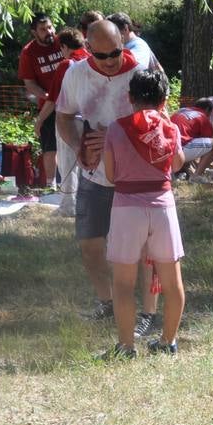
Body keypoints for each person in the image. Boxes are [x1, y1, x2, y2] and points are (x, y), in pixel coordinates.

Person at [55, 18, 149, 321]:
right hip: (94, 175)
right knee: (90, 243)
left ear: (123, 43)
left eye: (115, 53)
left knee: (145, 251)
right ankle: (106, 303)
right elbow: (64, 116)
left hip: (134, 177)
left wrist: (113, 137)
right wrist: (78, 146)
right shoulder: (76, 74)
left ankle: (147, 312)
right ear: (88, 49)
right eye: (101, 55)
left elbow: (155, 124)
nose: (110, 61)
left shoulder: (139, 74)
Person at [100, 70, 186, 359]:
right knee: (172, 282)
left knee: (123, 283)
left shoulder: (115, 128)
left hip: (126, 208)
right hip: (163, 206)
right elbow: (177, 164)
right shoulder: (170, 127)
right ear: (164, 100)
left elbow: (111, 175)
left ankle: (126, 346)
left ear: (130, 97)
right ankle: (168, 341)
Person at [18, 14, 70, 194]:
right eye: (43, 29)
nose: (49, 32)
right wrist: (47, 96)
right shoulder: (28, 52)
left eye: (50, 27)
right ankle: (51, 185)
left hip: (72, 103)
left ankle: (73, 183)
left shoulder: (63, 42)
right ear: (34, 32)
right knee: (49, 146)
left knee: (73, 143)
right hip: (48, 106)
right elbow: (29, 83)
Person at [172, 98, 213, 179]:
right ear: (207, 110)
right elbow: (211, 143)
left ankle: (180, 172)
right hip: (179, 150)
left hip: (166, 150)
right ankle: (197, 177)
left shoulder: (181, 111)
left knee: (192, 142)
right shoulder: (202, 116)